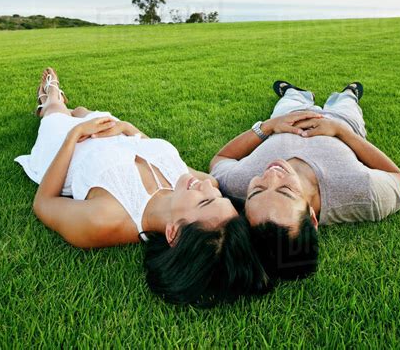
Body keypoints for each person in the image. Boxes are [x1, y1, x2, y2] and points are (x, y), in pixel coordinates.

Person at [15, 68, 269, 306]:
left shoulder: (105, 219)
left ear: (173, 233)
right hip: (113, 130)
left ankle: (49, 96)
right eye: (219, 197)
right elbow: (152, 150)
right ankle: (68, 108)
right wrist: (126, 128)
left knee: (57, 109)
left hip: (63, 145)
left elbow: (44, 203)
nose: (207, 186)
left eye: (204, 200)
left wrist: (75, 134)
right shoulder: (194, 184)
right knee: (81, 109)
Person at [209, 80, 400, 281]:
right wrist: (340, 131)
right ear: (312, 217)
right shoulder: (364, 193)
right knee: (346, 103)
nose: (272, 175)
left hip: (287, 118)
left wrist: (269, 126)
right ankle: (349, 93)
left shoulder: (236, 184)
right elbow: (399, 179)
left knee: (289, 100)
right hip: (343, 121)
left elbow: (220, 160)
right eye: (286, 190)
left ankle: (296, 93)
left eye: (257, 189)